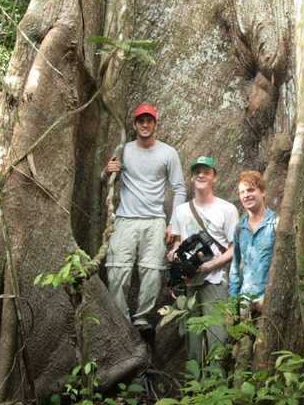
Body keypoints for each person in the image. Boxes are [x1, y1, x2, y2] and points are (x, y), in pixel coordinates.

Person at [103, 103, 186, 332]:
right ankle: (120, 320)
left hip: (154, 221)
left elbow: (179, 188)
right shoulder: (123, 150)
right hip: (125, 219)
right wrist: (107, 171)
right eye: (141, 121)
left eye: (149, 120)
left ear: (155, 124)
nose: (145, 124)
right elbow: (105, 180)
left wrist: (174, 223)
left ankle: (141, 319)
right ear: (135, 124)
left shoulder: (168, 153)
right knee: (117, 268)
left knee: (153, 271)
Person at [168, 156, 239, 365]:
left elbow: (234, 248)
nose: (201, 175)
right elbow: (178, 242)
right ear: (192, 177)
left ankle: (217, 387)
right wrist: (173, 255)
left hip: (215, 281)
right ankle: (194, 389)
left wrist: (209, 265)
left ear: (214, 177)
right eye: (197, 171)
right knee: (193, 341)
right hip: (189, 285)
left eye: (206, 171)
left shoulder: (227, 209)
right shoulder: (181, 211)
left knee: (217, 339)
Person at [228, 170, 276, 314]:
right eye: (242, 192)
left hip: (270, 300)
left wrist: (271, 295)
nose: (246, 195)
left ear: (262, 192)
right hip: (245, 301)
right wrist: (232, 304)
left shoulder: (276, 223)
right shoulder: (239, 228)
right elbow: (235, 267)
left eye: (250, 190)